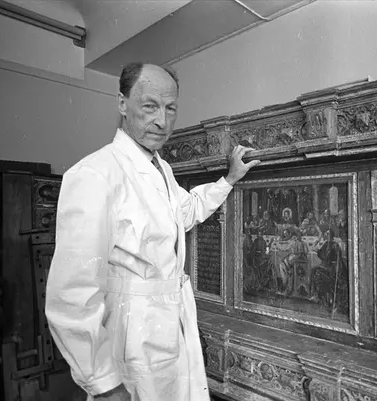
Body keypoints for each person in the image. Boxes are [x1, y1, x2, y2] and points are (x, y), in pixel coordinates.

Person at [44, 62, 259, 401]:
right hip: (131, 337)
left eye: (170, 108)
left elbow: (185, 212)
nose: (162, 120)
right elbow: (73, 294)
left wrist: (229, 179)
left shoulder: (161, 169)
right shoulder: (96, 174)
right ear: (122, 103)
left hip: (169, 329)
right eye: (150, 106)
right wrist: (103, 385)